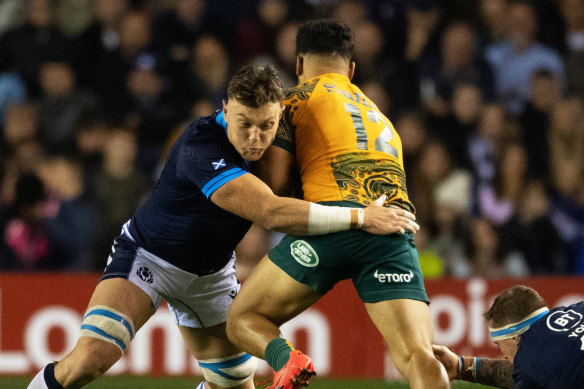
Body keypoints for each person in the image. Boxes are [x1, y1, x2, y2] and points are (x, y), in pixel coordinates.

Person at [27, 64, 418, 389]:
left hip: (211, 276)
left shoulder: (276, 147)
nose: (254, 138)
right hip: (149, 259)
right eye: (244, 123)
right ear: (226, 109)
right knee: (91, 360)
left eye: (266, 125)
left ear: (279, 114)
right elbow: (270, 212)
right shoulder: (201, 146)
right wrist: (361, 216)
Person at [226, 20, 450, 389]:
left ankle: (291, 362)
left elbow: (275, 185)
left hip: (334, 225)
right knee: (418, 355)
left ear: (298, 64)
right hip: (393, 231)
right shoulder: (380, 117)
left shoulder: (294, 100)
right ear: (351, 69)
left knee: (243, 319)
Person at [433, 285, 584, 388]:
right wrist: (461, 366)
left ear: (515, 338)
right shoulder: (578, 308)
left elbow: (528, 372)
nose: (503, 355)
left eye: (499, 344)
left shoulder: (530, 367)